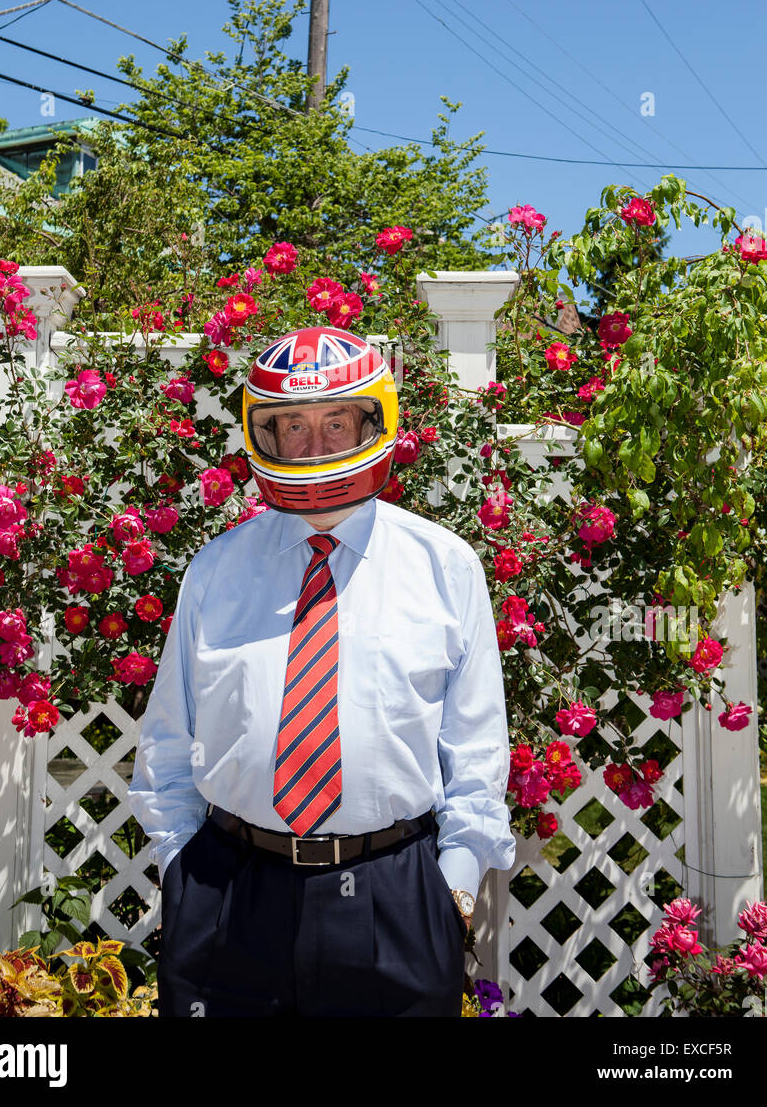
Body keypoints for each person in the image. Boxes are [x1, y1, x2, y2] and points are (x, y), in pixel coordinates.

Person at [127, 324, 515, 1017]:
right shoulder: (216, 570)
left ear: (375, 420)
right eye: (291, 426)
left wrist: (452, 888)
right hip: (230, 890)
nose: (314, 446)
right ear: (261, 435)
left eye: (336, 421)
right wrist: (182, 877)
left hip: (394, 891)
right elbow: (166, 741)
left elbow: (478, 751)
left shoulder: (444, 567)